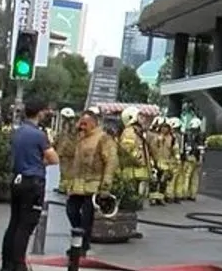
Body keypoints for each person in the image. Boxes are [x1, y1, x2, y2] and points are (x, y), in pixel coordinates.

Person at [0, 97, 60, 271]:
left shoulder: (18, 132)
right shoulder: (38, 135)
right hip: (32, 182)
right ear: (40, 113)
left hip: (17, 179)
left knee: (14, 224)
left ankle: (6, 267)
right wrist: (38, 161)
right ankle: (19, 270)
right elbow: (54, 158)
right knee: (25, 228)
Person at [66, 109, 118, 256]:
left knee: (87, 218)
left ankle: (83, 245)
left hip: (93, 185)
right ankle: (79, 239)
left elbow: (111, 162)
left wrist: (106, 186)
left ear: (93, 124)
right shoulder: (80, 139)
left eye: (85, 124)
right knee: (71, 210)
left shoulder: (103, 139)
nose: (81, 126)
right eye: (80, 123)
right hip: (77, 185)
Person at [118, 107, 155, 205]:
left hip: (139, 169)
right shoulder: (129, 132)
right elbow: (127, 149)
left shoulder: (138, 132)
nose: (143, 119)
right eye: (140, 116)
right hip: (133, 170)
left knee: (140, 192)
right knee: (132, 193)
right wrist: (139, 160)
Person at [54, 107, 79, 195]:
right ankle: (63, 187)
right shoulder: (72, 126)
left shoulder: (72, 127)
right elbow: (60, 138)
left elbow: (63, 139)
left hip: (68, 152)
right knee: (64, 171)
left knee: (67, 171)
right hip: (67, 151)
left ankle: (66, 188)